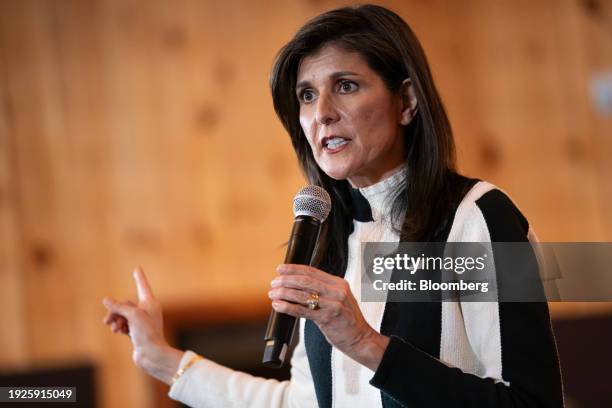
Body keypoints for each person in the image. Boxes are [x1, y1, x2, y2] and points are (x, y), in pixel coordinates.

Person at [102, 4, 563, 407]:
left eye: (345, 86)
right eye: (306, 94)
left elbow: (528, 403)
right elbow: (304, 403)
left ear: (406, 101)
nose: (321, 111)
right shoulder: (328, 239)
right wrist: (163, 361)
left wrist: (364, 343)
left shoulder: (480, 217)